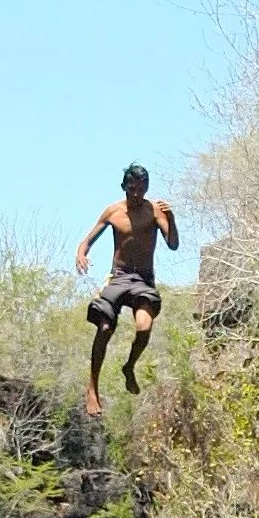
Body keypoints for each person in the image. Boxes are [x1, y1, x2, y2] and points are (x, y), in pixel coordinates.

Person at [75, 163, 179, 417]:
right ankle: (92, 388)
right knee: (105, 328)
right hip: (118, 277)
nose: (137, 193)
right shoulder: (113, 212)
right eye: (132, 188)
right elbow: (87, 240)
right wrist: (81, 253)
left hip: (143, 279)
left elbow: (173, 244)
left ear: (146, 188)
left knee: (144, 328)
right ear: (124, 187)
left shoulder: (155, 210)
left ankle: (129, 366)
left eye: (142, 189)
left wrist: (172, 218)